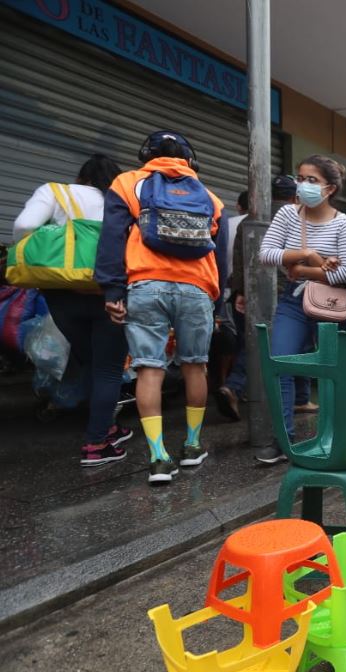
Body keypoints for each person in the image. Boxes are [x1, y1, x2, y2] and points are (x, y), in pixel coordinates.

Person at [95, 131, 224, 484]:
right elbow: (220, 258)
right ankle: (193, 446)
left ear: (145, 155)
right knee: (195, 367)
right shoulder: (210, 198)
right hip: (197, 289)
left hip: (145, 286)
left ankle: (158, 457)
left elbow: (112, 239)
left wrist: (112, 291)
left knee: (149, 369)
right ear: (189, 159)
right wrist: (218, 304)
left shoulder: (127, 184)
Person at [13, 153, 133, 466]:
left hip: (61, 294)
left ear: (82, 177)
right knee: (108, 367)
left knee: (91, 361)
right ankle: (96, 443)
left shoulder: (55, 192)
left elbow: (24, 226)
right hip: (108, 292)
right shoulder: (121, 202)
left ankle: (105, 426)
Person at [254, 155, 346, 465]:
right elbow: (266, 254)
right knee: (281, 364)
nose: (303, 185)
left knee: (336, 373)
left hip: (332, 305)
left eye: (311, 180)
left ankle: (338, 435)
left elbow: (345, 274)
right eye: (300, 177)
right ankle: (282, 440)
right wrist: (311, 255)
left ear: (330, 188)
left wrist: (302, 269)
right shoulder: (288, 214)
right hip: (294, 302)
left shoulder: (344, 223)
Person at [215, 174, 300, 422]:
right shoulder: (296, 218)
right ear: (294, 196)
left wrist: (241, 292)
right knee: (274, 347)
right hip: (284, 292)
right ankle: (238, 387)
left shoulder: (248, 220)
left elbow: (240, 260)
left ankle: (241, 389)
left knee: (250, 343)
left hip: (247, 292)